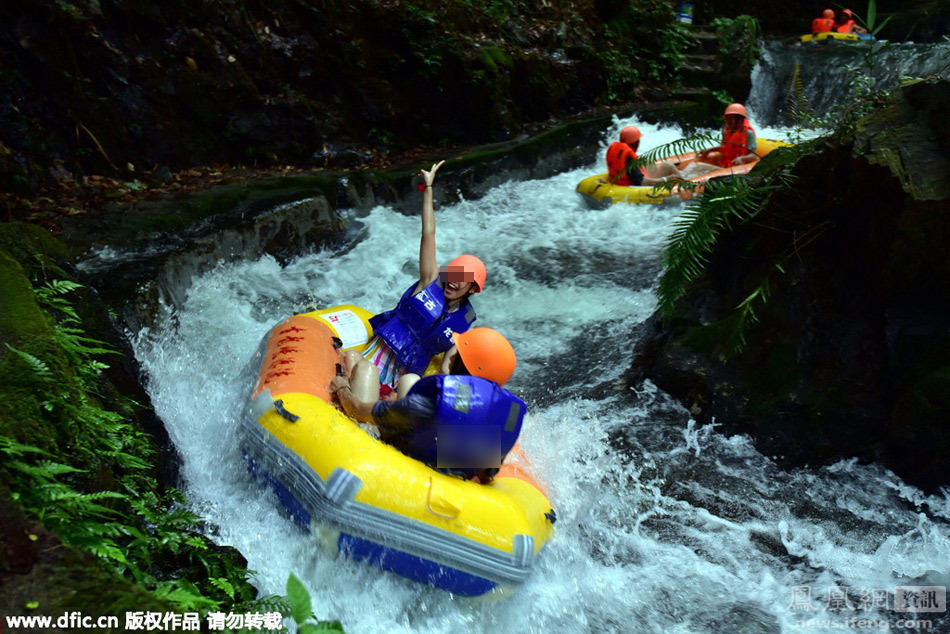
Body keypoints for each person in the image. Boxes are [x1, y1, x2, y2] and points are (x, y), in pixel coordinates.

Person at [341, 160, 486, 403]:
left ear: (472, 288)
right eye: (453, 273)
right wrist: (428, 188)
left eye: (462, 279)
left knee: (405, 389)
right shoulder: (429, 282)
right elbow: (428, 233)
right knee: (355, 362)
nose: (453, 281)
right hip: (376, 357)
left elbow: (452, 367)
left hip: (405, 376)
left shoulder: (463, 323)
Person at [331, 327, 525, 483]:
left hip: (395, 462)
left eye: (457, 350)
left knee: (365, 369)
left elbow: (356, 410)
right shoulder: (501, 419)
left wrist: (342, 388)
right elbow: (488, 473)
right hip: (445, 475)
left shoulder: (428, 405)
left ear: (459, 360)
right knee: (410, 381)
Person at [606, 126, 684, 187]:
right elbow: (642, 182)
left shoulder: (616, 149)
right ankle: (686, 184)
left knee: (649, 162)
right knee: (668, 165)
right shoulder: (630, 160)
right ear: (635, 143)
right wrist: (666, 179)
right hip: (636, 186)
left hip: (620, 182)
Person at [693, 103, 758, 172]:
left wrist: (742, 159)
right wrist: (710, 150)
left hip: (739, 169)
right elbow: (725, 148)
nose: (727, 122)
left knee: (698, 167)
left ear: (740, 120)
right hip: (726, 166)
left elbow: (754, 156)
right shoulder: (728, 131)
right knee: (696, 167)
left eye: (730, 119)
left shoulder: (748, 133)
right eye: (727, 118)